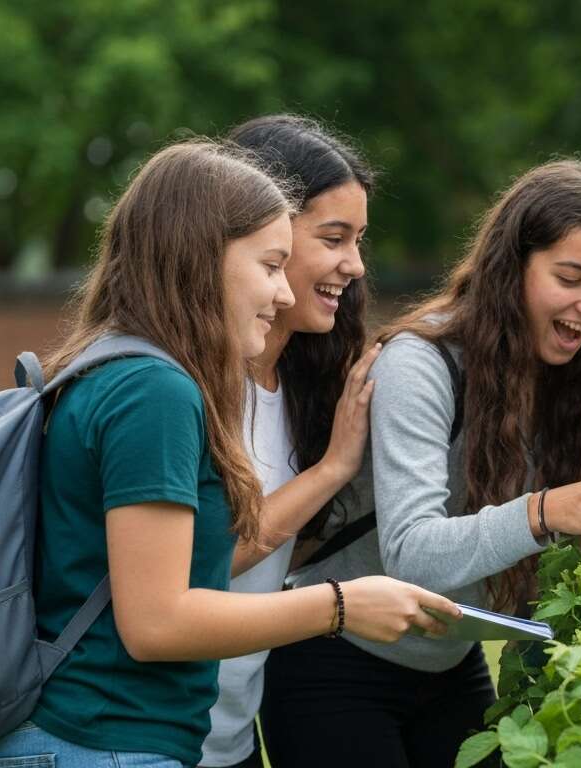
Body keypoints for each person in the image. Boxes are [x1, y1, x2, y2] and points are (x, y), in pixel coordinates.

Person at [0, 140, 459, 768]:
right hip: (100, 744)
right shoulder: (154, 391)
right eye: (271, 265)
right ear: (202, 258)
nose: (284, 294)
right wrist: (341, 605)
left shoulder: (126, 369)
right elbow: (157, 623)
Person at [260, 158, 581, 767]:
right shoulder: (421, 364)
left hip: (451, 661)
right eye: (570, 278)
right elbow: (412, 553)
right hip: (336, 659)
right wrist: (545, 511)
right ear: (512, 267)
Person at [195, 115, 383, 768]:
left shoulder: (310, 383)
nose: (354, 265)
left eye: (359, 240)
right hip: (152, 741)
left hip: (233, 738)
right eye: (333, 238)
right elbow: (208, 557)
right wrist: (331, 469)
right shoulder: (182, 386)